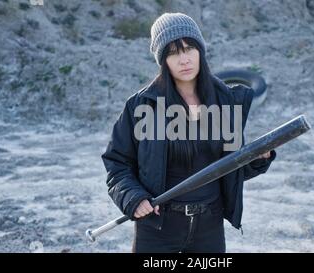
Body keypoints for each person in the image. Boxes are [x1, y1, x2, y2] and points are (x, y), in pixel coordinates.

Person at [101, 12, 276, 253]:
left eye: (189, 48)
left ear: (200, 52)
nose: (184, 59)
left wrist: (255, 159)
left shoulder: (224, 100)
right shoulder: (142, 106)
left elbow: (229, 169)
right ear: (162, 60)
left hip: (209, 228)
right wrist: (133, 197)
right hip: (158, 228)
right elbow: (117, 164)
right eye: (173, 52)